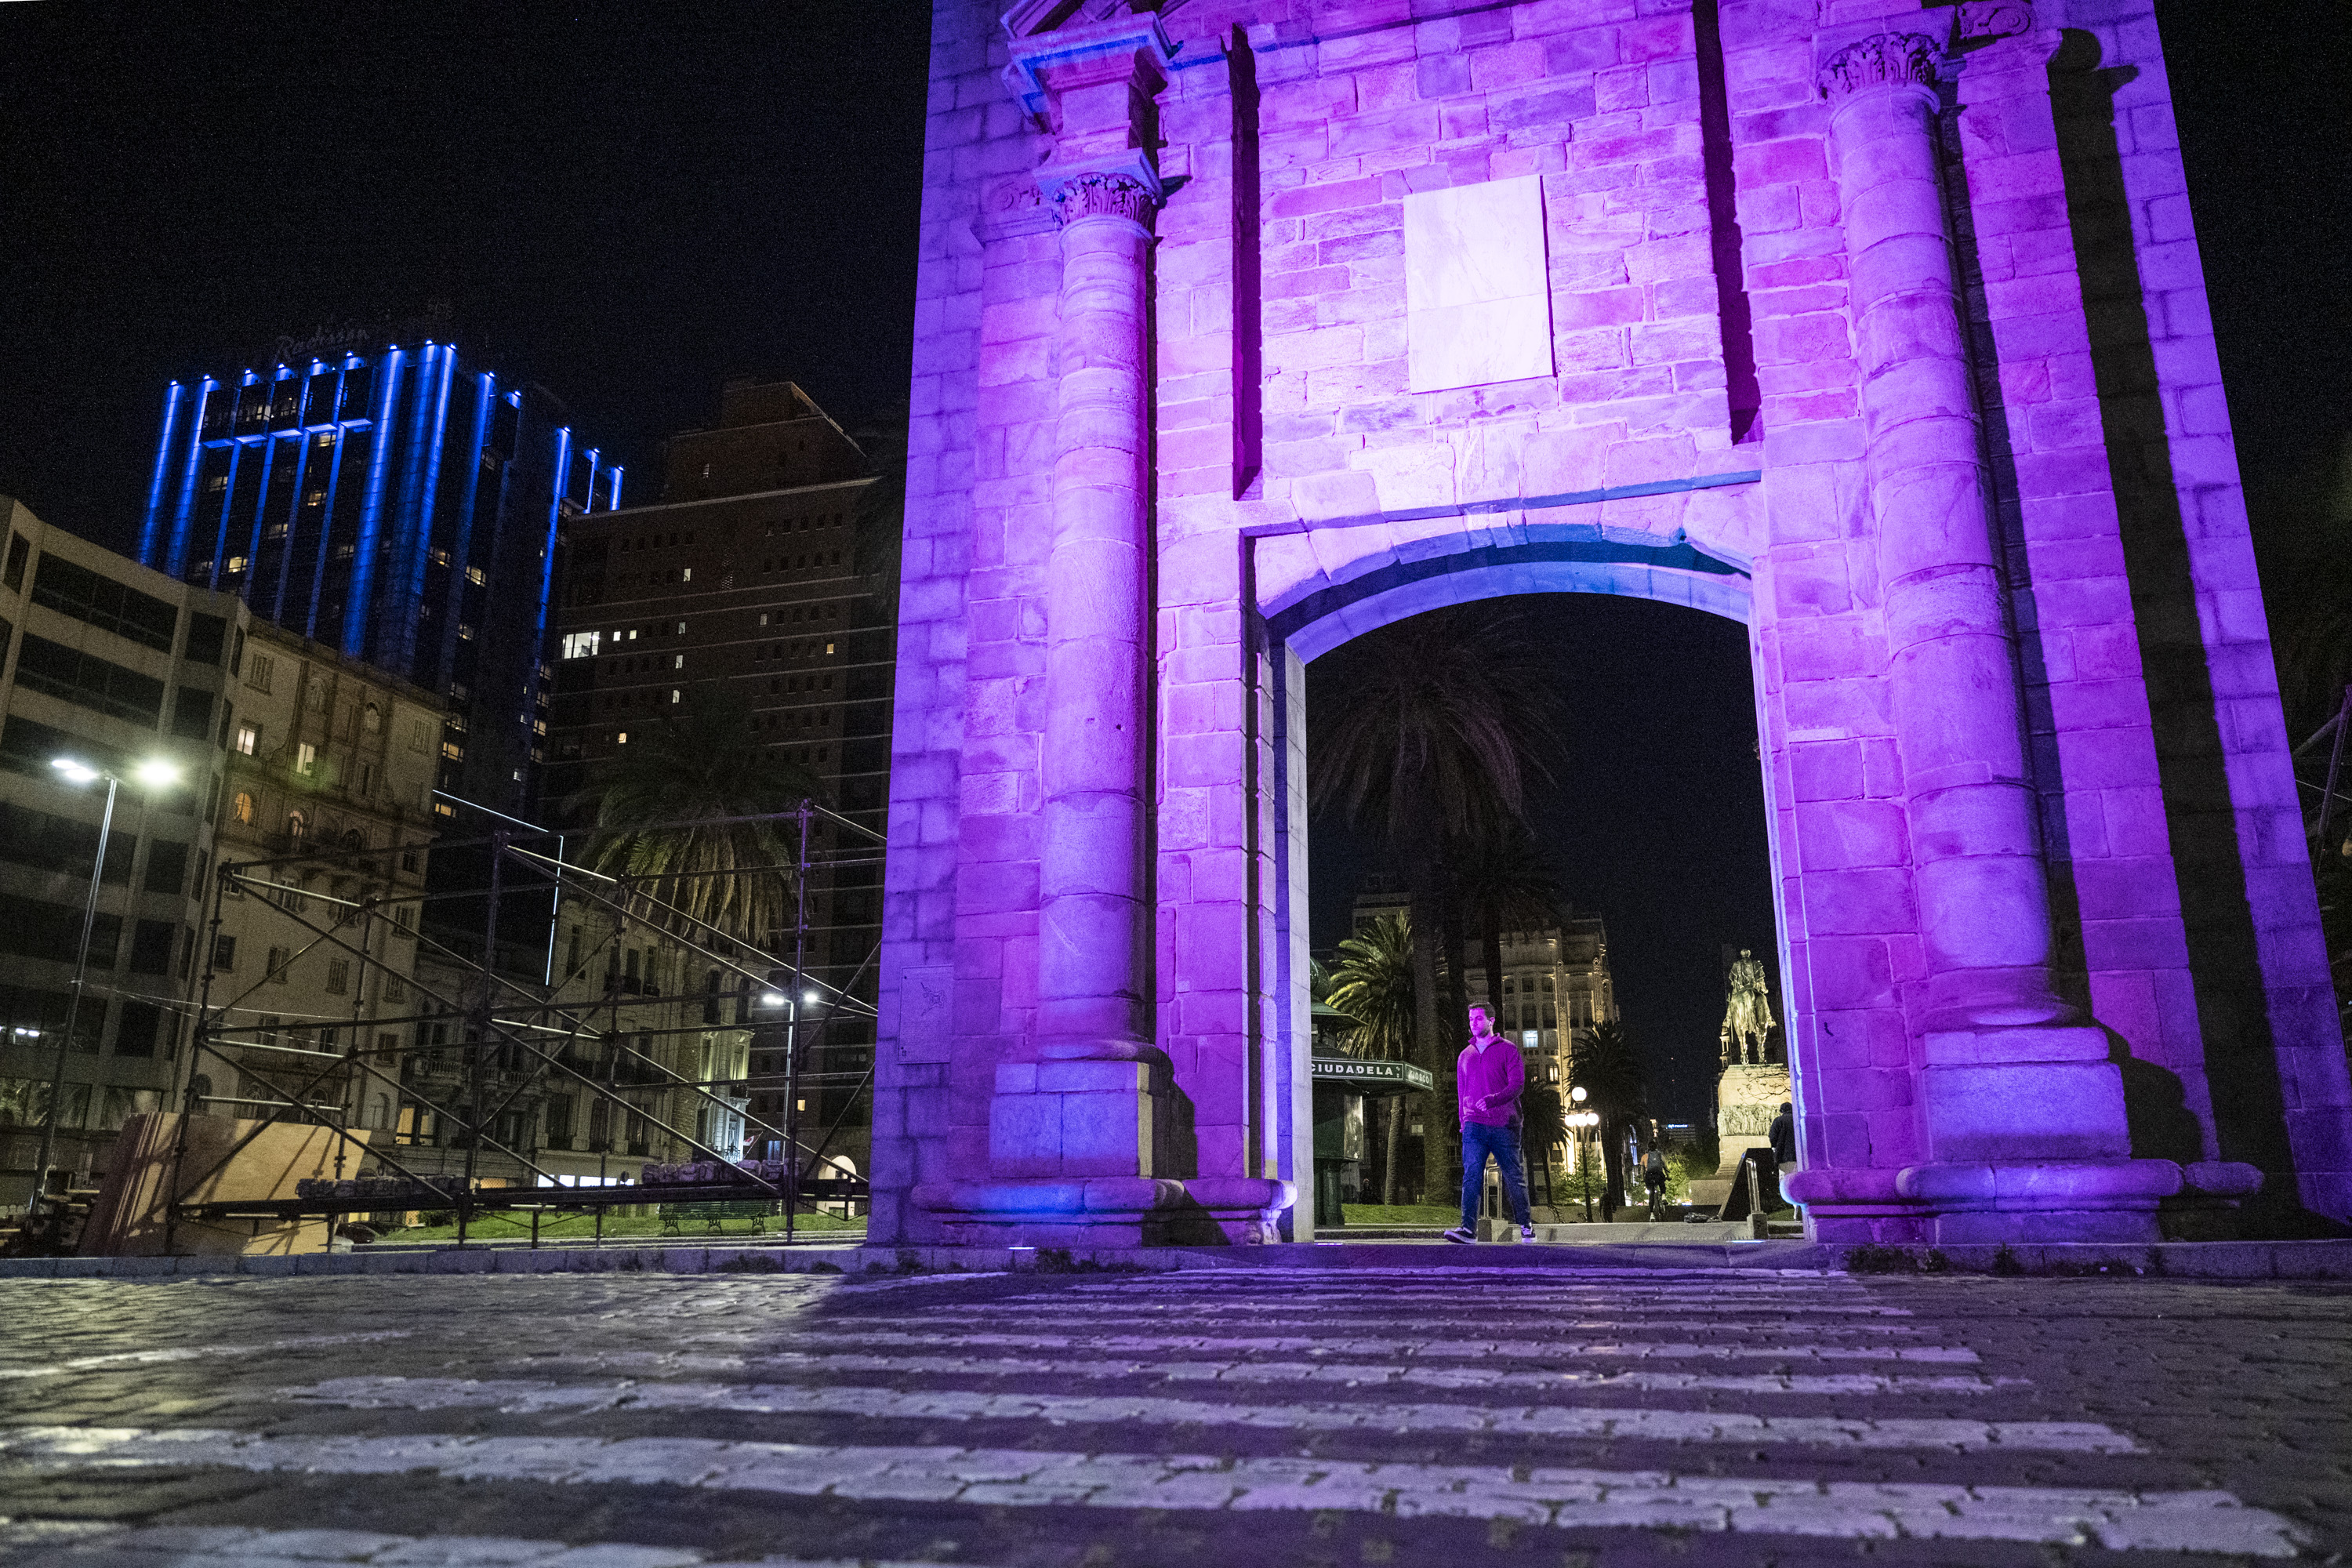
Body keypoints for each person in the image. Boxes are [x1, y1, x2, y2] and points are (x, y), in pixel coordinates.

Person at [1443, 1003, 1535, 1244]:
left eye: (1478, 1018)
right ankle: (1467, 1230)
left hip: (1505, 1124)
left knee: (1513, 1176)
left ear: (1491, 1021)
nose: (1473, 1023)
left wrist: (1492, 1100)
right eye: (1471, 1018)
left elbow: (1518, 1085)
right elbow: (1462, 1093)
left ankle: (1526, 1226)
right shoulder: (1465, 1055)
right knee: (1471, 1176)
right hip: (1474, 1126)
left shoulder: (1508, 1050)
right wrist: (1463, 1122)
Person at [1641, 1144, 1669, 1218]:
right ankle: (1663, 1196)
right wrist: (1668, 1176)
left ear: (1648, 1148)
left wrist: (1642, 1178)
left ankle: (1652, 1214)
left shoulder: (1644, 1156)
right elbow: (1665, 1166)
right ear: (1656, 1147)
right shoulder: (1660, 1155)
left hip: (1649, 1176)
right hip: (1658, 1175)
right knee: (1662, 1183)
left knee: (1651, 1194)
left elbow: (1642, 1169)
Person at [1768, 1101, 1796, 1169]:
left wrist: (1776, 1147)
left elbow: (1773, 1137)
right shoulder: (1797, 1120)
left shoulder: (1778, 1120)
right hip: (1799, 1156)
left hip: (1783, 1156)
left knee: (1785, 1176)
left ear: (1782, 1111)